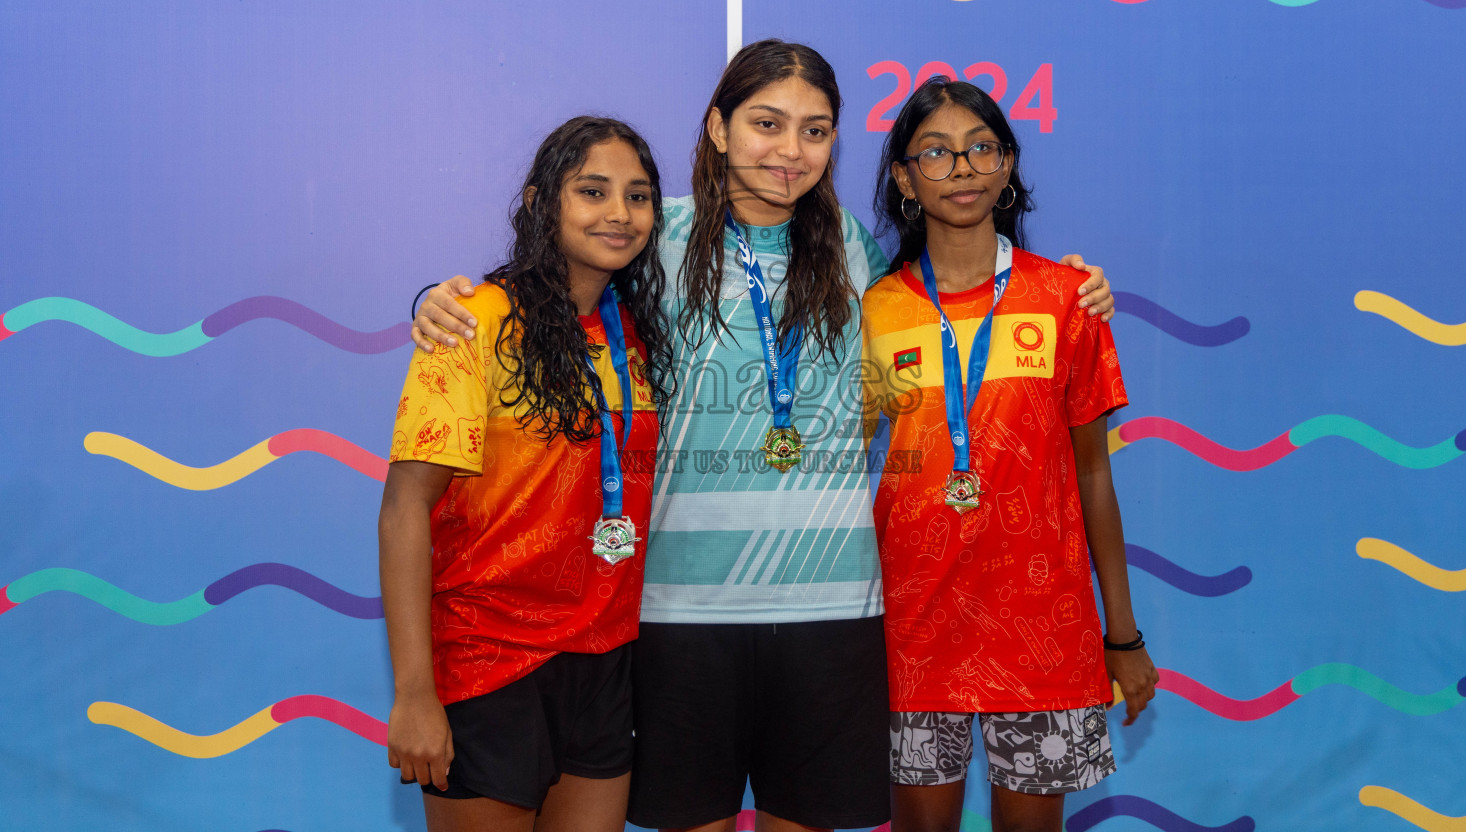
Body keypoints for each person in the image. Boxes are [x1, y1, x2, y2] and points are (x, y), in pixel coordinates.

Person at [410, 41, 1116, 832]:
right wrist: (437, 300)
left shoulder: (853, 249)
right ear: (718, 128)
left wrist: (1070, 287)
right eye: (767, 124)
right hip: (681, 617)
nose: (790, 150)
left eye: (815, 131)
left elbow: (948, 312)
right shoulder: (651, 237)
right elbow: (548, 296)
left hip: (835, 612)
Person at [862, 77, 1157, 832]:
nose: (961, 168)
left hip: (1043, 631)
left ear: (1007, 165)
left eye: (980, 148)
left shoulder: (1067, 299)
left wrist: (1120, 635)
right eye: (935, 152)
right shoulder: (873, 308)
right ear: (903, 177)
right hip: (911, 629)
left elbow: (1094, 472)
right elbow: (835, 468)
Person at [379, 117, 672, 832]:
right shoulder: (473, 323)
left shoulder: (634, 332)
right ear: (544, 204)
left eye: (637, 197)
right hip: (489, 660)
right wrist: (415, 691)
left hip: (604, 660)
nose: (618, 213)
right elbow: (404, 509)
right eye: (592, 191)